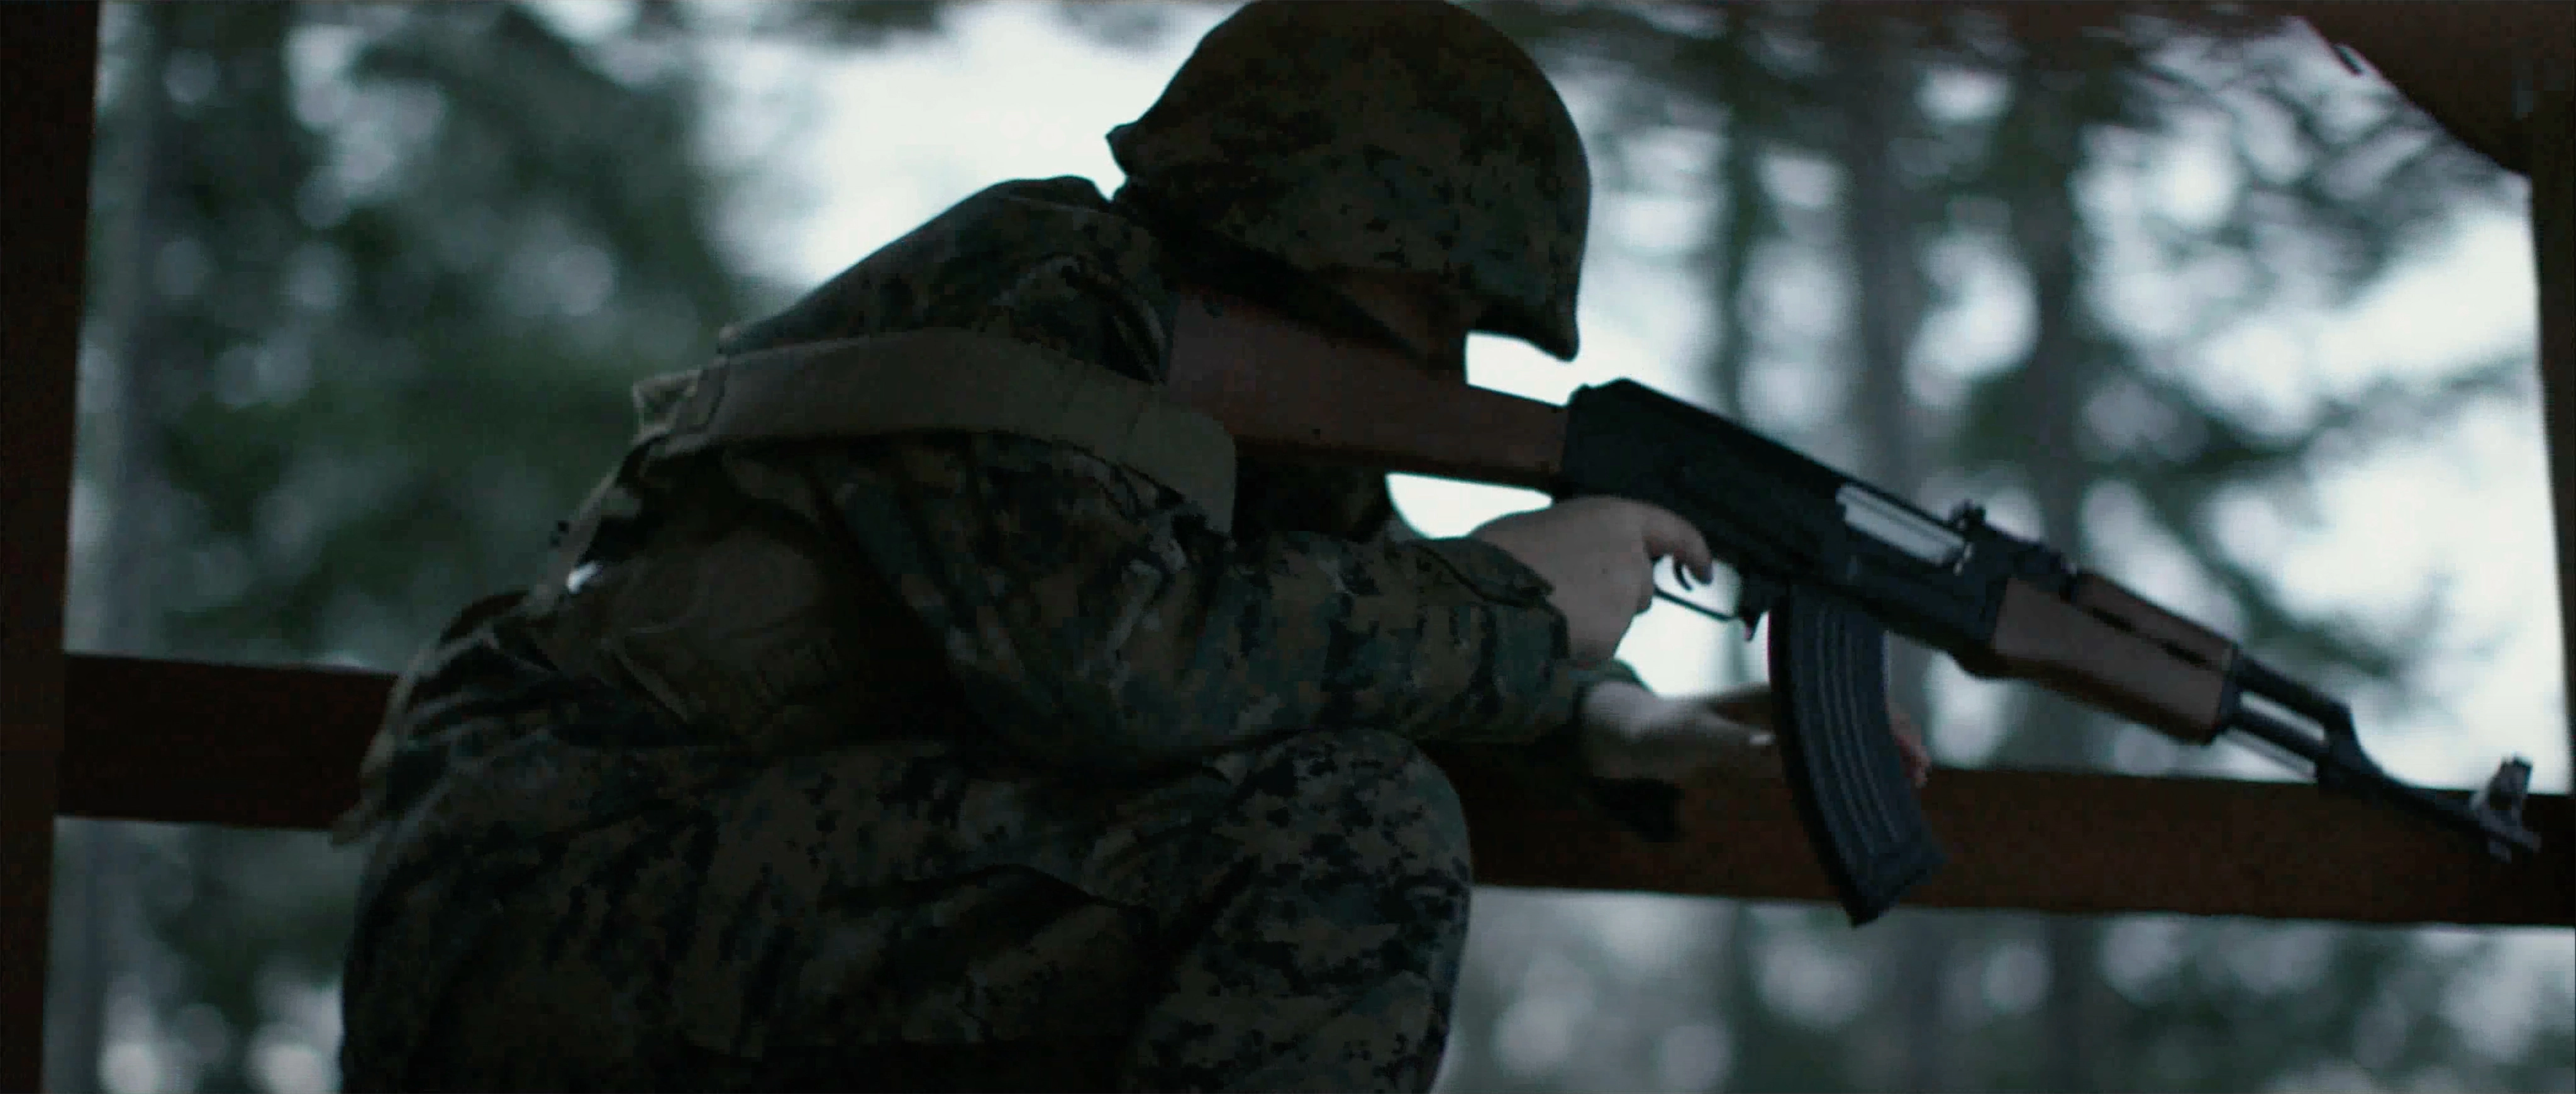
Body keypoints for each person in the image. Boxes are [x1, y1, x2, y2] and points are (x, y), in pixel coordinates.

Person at [331, 3, 1927, 1090]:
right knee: (1353, 829)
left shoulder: (1241, 413)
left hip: (727, 901)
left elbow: (1344, 649)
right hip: (549, 904)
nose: (1446, 369)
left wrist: (1623, 717)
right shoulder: (1043, 290)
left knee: (1351, 782)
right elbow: (1115, 669)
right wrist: (1513, 593)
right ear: (1324, 226)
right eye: (1439, 305)